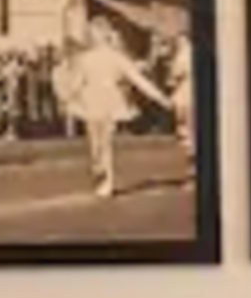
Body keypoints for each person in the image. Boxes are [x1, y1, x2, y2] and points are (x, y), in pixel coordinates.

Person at [52, 13, 177, 201]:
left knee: (106, 142)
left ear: (104, 34)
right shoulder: (86, 58)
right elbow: (78, 81)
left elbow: (138, 80)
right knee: (95, 143)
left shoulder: (116, 57)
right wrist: (68, 97)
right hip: (91, 101)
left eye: (96, 33)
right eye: (91, 33)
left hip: (109, 101)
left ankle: (106, 182)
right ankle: (98, 170)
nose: (93, 36)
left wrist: (160, 98)